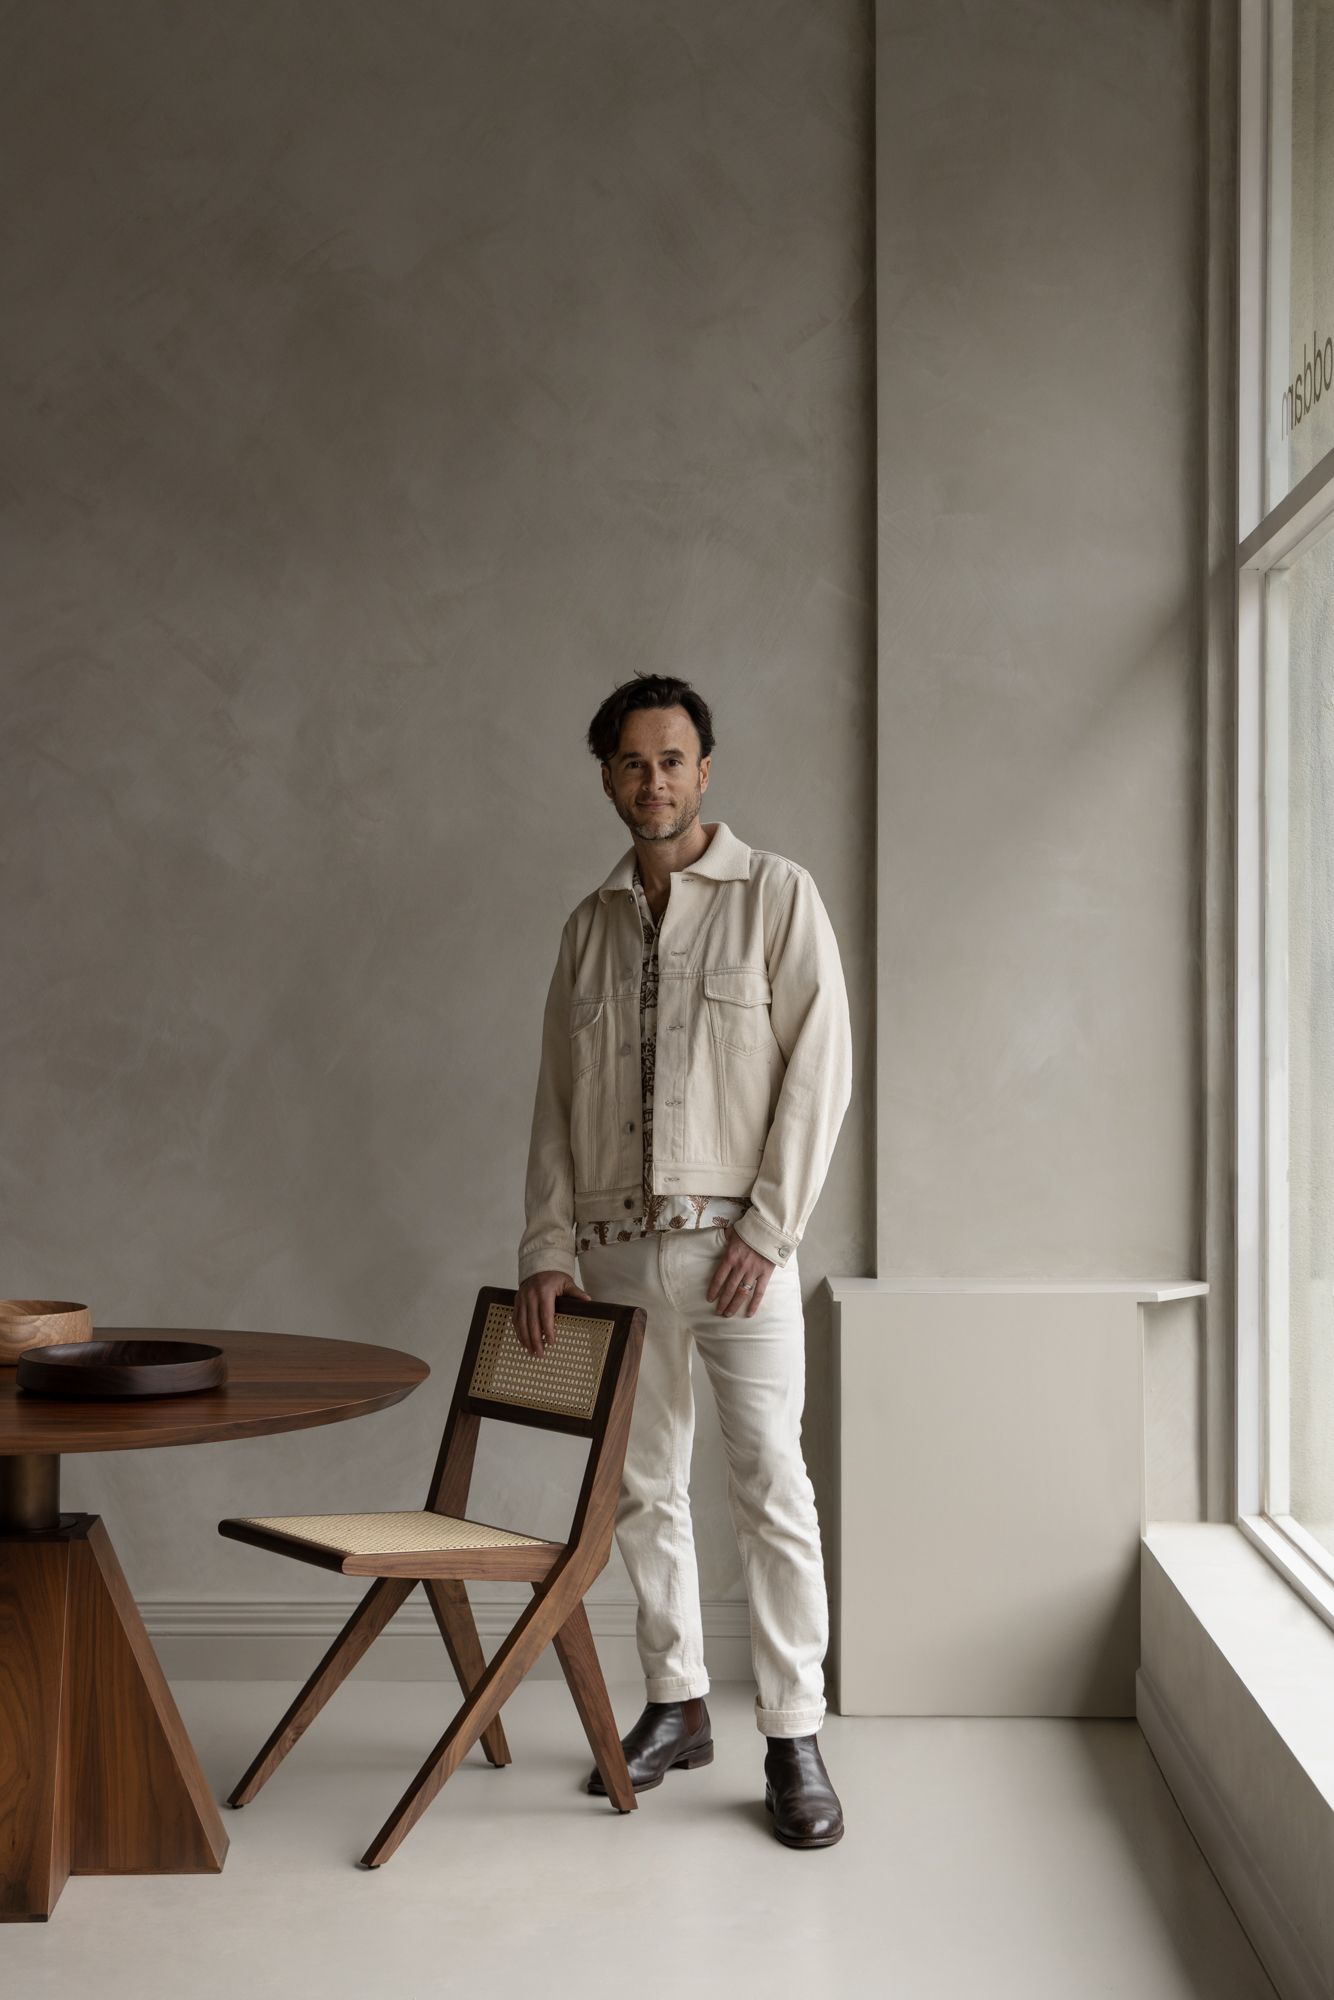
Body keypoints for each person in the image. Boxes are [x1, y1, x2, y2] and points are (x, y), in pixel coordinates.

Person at [515, 673, 852, 1848]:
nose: (650, 780)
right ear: (605, 776)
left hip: (734, 1255)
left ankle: (794, 1732)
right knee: (641, 1487)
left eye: (671, 759)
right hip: (613, 1257)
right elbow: (557, 1105)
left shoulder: (776, 897)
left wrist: (767, 1228)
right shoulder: (587, 926)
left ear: (704, 769)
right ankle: (676, 1700)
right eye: (627, 762)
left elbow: (818, 1072)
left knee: (769, 1486)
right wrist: (547, 1247)